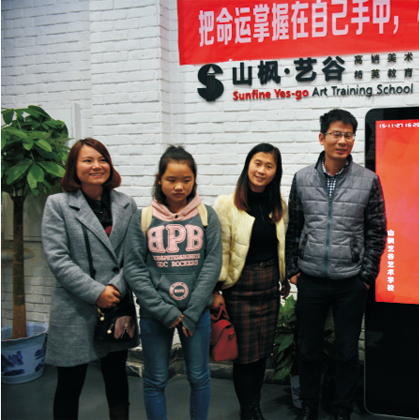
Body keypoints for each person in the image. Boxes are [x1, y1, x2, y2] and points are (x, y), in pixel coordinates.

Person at [286, 109, 387, 420]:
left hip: (350, 282)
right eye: (336, 134)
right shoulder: (302, 178)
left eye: (348, 135)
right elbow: (294, 227)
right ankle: (309, 406)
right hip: (311, 279)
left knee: (346, 352)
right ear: (322, 138)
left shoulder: (368, 180)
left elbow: (377, 230)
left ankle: (343, 409)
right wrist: (293, 269)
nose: (342, 141)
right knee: (308, 350)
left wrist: (366, 275)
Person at [42, 138, 139, 420]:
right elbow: (58, 258)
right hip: (75, 306)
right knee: (70, 382)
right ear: (74, 167)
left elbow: (134, 255)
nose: (97, 166)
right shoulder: (58, 204)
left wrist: (115, 287)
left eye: (102, 159)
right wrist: (96, 292)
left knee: (116, 375)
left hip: (117, 304)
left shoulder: (126, 204)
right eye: (88, 160)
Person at [124, 145, 222, 420]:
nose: (179, 186)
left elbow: (212, 264)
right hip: (155, 315)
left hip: (196, 314)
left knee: (199, 377)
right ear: (159, 179)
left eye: (186, 180)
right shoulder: (144, 217)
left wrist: (193, 311)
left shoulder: (206, 215)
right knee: (155, 380)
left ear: (194, 180)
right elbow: (134, 268)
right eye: (171, 179)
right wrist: (163, 310)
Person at [212, 143, 290, 420]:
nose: (262, 170)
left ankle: (255, 405)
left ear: (276, 172)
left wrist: (284, 278)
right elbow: (218, 251)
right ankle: (248, 411)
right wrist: (216, 290)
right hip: (239, 287)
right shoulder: (226, 204)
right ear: (248, 165)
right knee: (245, 354)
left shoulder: (279, 204)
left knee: (262, 353)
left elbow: (282, 246)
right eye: (258, 163)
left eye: (269, 166)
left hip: (269, 285)